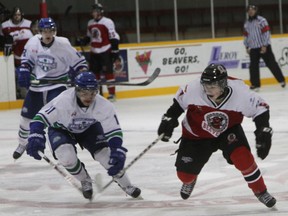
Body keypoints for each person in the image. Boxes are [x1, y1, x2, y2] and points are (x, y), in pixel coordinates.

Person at [157, 63, 276, 208]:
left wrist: (263, 129)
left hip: (228, 131)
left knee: (243, 158)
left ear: (223, 84)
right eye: (206, 86)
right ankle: (190, 180)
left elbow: (260, 108)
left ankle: (261, 191)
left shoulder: (240, 92)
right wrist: (169, 118)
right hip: (196, 134)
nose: (207, 90)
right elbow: (178, 105)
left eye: (212, 87)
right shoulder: (194, 88)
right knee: (185, 176)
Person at [26, 72, 141, 200]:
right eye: (84, 93)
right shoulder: (64, 101)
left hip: (89, 128)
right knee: (67, 158)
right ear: (76, 90)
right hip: (61, 129)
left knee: (106, 156)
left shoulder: (104, 105)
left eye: (92, 93)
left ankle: (126, 185)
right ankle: (84, 179)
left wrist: (116, 148)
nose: (89, 97)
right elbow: (40, 118)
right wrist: (36, 134)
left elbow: (113, 131)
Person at [12, 17, 88, 160]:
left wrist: (81, 73)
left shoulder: (63, 43)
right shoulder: (32, 42)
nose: (48, 34)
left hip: (57, 86)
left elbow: (79, 62)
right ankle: (22, 143)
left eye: (51, 30)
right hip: (37, 87)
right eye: (45, 31)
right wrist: (24, 70)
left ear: (55, 31)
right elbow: (26, 61)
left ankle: (60, 146)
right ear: (39, 31)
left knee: (57, 118)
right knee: (25, 119)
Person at [78, 3, 120, 101]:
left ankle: (112, 94)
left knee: (109, 73)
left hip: (105, 51)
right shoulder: (90, 23)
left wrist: (114, 50)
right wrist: (84, 40)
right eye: (92, 11)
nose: (93, 13)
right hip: (94, 52)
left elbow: (113, 37)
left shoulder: (107, 22)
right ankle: (97, 93)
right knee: (94, 74)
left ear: (100, 12)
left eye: (95, 11)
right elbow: (89, 37)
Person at [243, 5, 286, 91]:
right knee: (253, 66)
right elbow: (246, 35)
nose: (251, 11)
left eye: (252, 10)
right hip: (253, 48)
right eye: (249, 10)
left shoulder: (262, 20)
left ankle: (281, 80)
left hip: (263, 46)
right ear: (247, 12)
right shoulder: (247, 23)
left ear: (256, 11)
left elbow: (266, 33)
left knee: (271, 64)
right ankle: (255, 85)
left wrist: (265, 45)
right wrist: (247, 46)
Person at [1, 7, 33, 98]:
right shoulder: (4, 25)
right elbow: (2, 40)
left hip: (25, 57)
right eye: (15, 15)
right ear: (12, 15)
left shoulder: (28, 25)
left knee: (25, 77)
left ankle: (25, 95)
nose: (17, 17)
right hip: (11, 58)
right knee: (12, 77)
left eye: (18, 15)